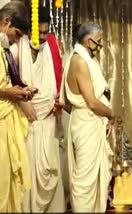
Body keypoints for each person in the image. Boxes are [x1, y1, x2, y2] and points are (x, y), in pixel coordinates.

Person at [14, 6, 65, 212]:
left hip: (48, 120)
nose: (43, 37)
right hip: (27, 121)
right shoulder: (17, 50)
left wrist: (57, 101)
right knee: (29, 173)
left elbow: (57, 83)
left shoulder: (49, 49)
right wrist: (24, 103)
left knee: (50, 171)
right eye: (39, 33)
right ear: (29, 31)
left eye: (46, 32)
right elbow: (10, 83)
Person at [60, 22, 115, 212]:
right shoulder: (80, 61)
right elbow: (91, 101)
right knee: (84, 181)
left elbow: (68, 102)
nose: (100, 45)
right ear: (88, 40)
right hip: (86, 124)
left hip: (87, 121)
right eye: (98, 41)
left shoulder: (83, 58)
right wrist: (111, 114)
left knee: (92, 178)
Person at [0, 1, 33, 212]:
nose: (17, 39)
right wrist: (7, 92)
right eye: (17, 33)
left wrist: (21, 89)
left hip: (6, 118)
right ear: (6, 21)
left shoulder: (3, 47)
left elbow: (7, 81)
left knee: (9, 179)